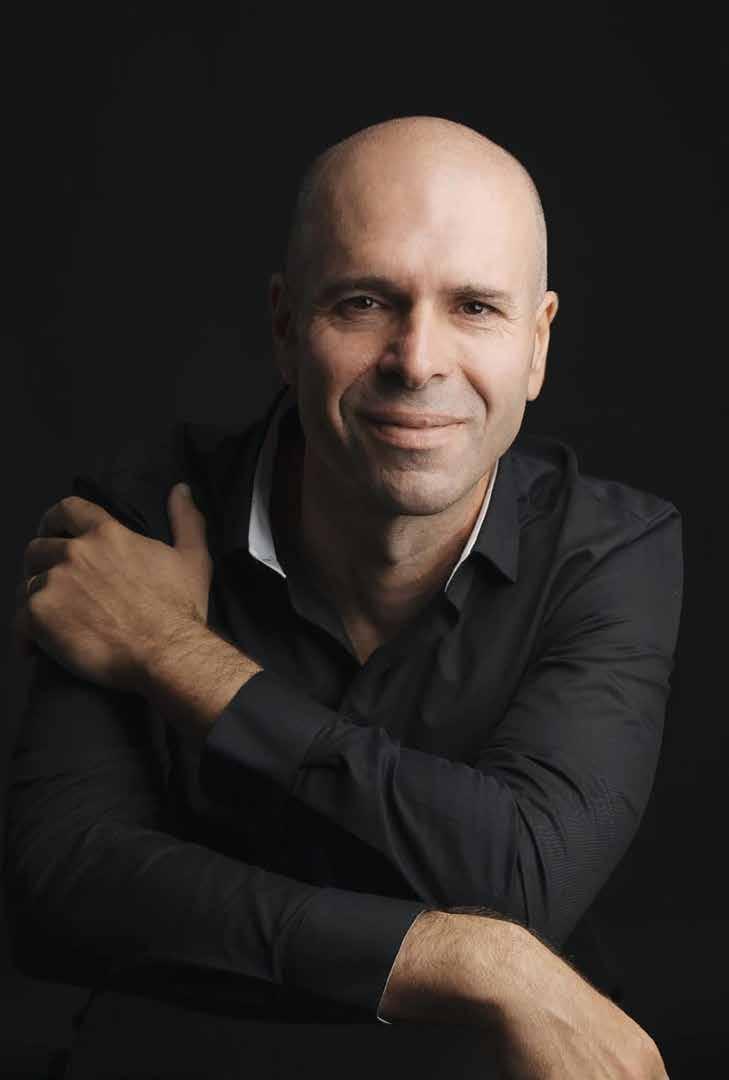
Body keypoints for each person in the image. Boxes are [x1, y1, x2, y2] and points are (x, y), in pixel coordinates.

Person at [5, 115, 680, 1077]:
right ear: (285, 327)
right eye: (364, 302)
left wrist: (170, 654)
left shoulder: (610, 548)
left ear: (535, 344)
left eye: (475, 307)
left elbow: (522, 877)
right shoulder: (140, 516)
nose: (417, 360)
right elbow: (59, 885)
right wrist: (468, 959)